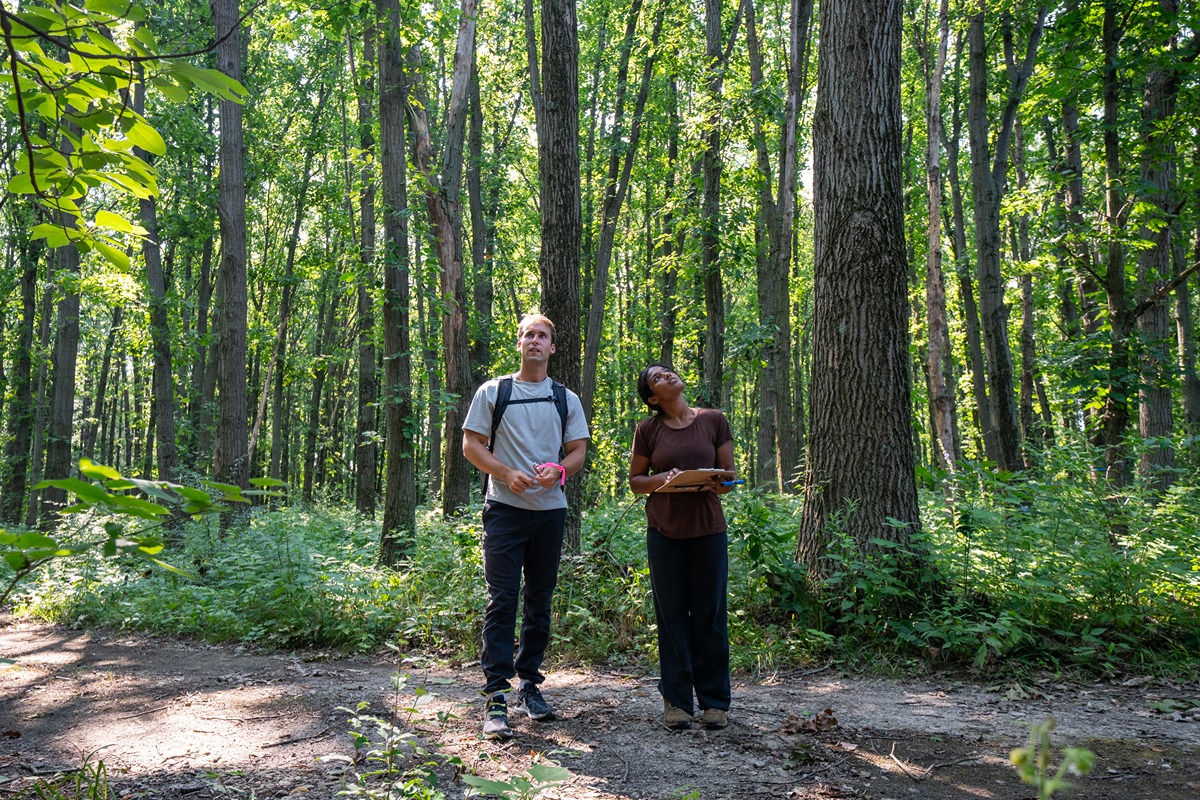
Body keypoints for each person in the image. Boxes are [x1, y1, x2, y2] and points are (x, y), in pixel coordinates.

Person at [462, 313, 589, 740]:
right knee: (502, 599)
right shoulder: (494, 391)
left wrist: (560, 471)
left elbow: (577, 451)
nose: (535, 341)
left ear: (553, 347)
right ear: (519, 344)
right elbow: (471, 444)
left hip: (550, 512)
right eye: (528, 335)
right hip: (504, 509)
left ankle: (529, 684)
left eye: (543, 336)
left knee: (539, 599)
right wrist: (504, 472)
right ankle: (495, 695)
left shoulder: (564, 398)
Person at [628, 362, 735, 730]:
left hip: (708, 529)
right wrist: (660, 478)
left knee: (710, 615)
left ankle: (714, 702)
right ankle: (676, 702)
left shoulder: (714, 420)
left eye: (667, 371)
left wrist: (723, 484)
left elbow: (730, 476)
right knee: (671, 617)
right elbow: (636, 481)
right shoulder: (648, 430)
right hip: (664, 532)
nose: (668, 376)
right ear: (654, 398)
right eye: (657, 378)